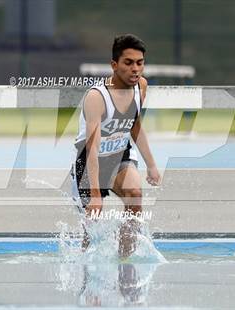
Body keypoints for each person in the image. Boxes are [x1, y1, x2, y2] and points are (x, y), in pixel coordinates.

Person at [71, 34, 160, 258]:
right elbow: (92, 148)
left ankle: (125, 261)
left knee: (135, 195)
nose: (135, 69)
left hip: (120, 155)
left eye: (140, 63)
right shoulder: (96, 97)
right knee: (92, 232)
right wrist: (95, 194)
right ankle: (85, 270)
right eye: (128, 63)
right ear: (114, 65)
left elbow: (135, 125)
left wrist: (151, 165)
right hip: (91, 161)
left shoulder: (141, 86)